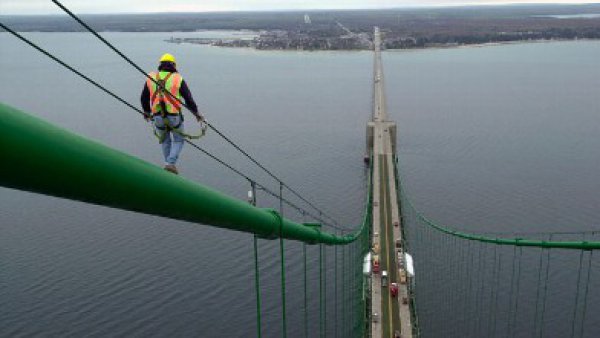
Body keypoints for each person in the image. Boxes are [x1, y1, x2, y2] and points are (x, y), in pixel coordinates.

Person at [141, 53, 203, 174]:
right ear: (174, 65)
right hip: (174, 117)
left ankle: (167, 165)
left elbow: (144, 98)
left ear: (160, 65)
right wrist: (196, 113)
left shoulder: (151, 77)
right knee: (179, 140)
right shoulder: (177, 78)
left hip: (157, 117)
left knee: (165, 141)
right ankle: (170, 163)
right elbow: (188, 99)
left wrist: (147, 112)